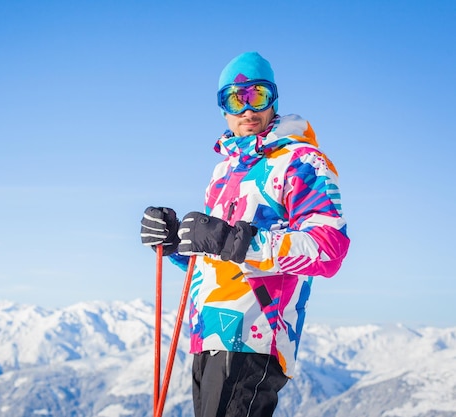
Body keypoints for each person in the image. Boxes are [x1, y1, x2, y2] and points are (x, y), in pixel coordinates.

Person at [140, 52, 350, 417]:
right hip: (207, 331)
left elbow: (328, 250)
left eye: (258, 96)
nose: (248, 109)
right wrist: (177, 243)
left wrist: (228, 239)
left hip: (256, 333)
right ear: (223, 108)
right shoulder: (224, 170)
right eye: (236, 99)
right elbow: (220, 260)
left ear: (274, 101)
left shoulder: (302, 162)